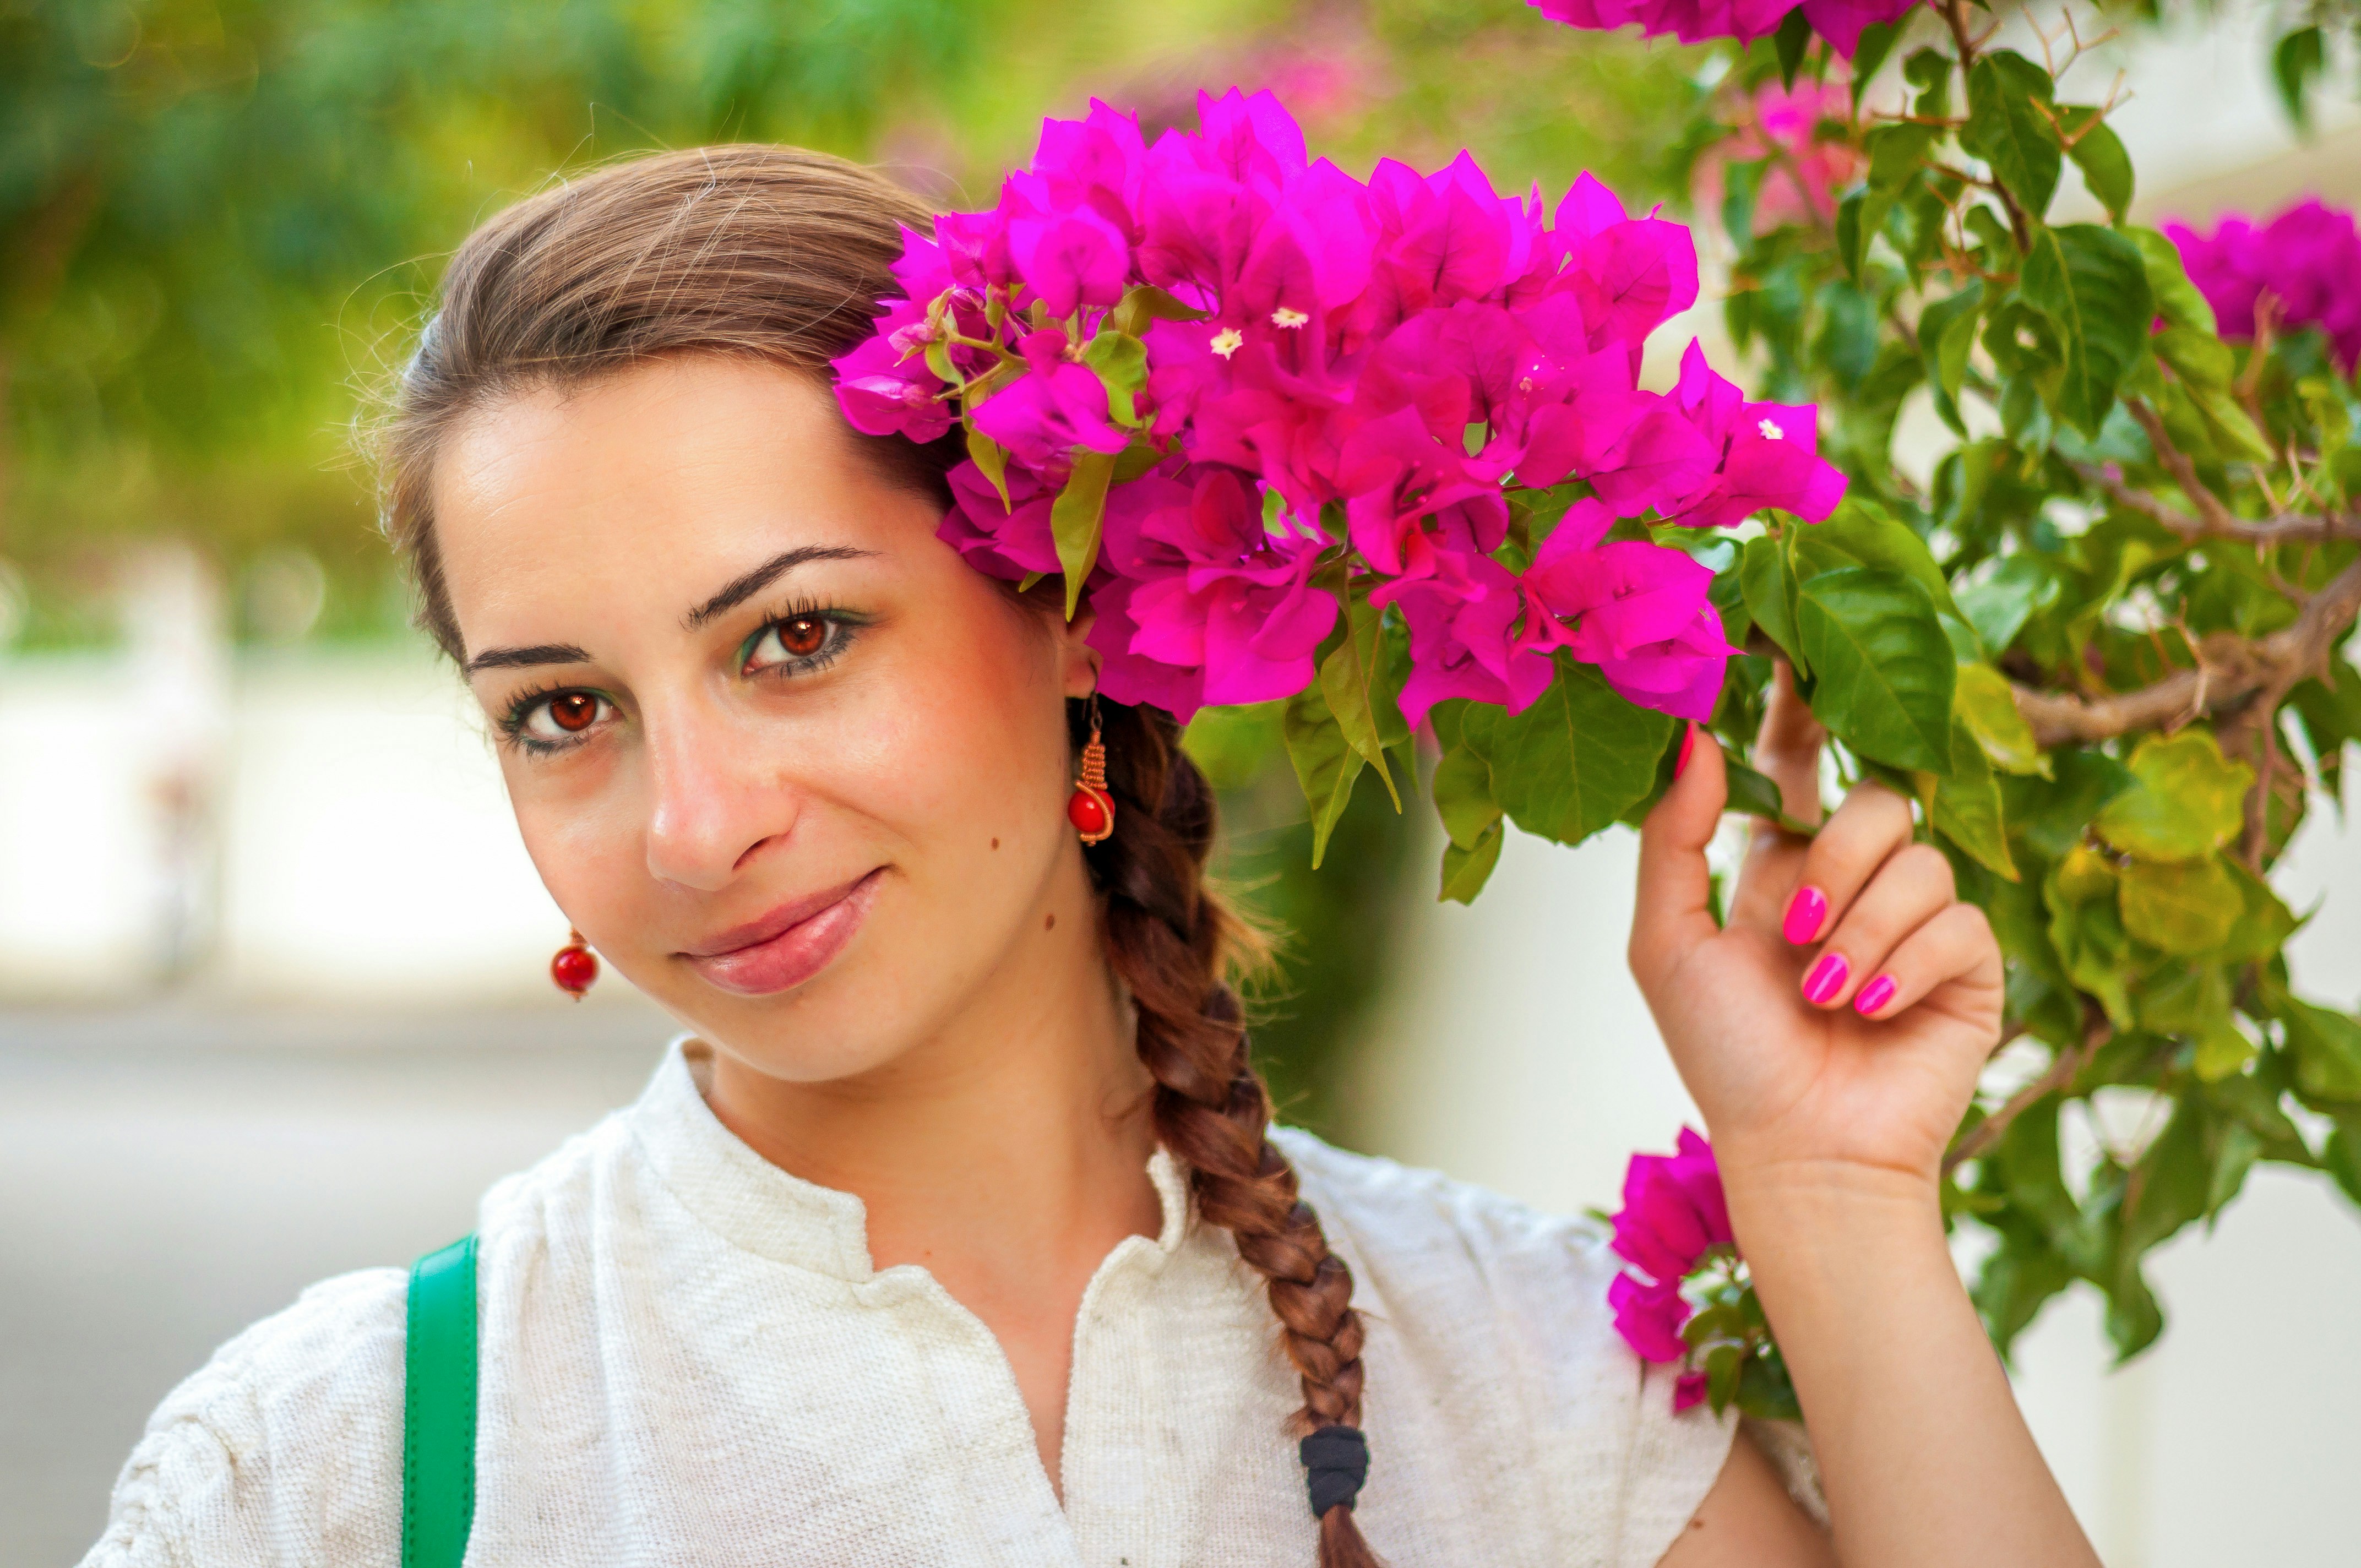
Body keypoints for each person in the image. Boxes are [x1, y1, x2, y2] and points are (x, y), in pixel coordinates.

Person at [79, 146, 2098, 1568]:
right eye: (564, 711)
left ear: (1070, 606)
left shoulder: (1525, 1379)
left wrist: (1831, 1202)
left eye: (795, 639)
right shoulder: (327, 1476)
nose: (694, 828)